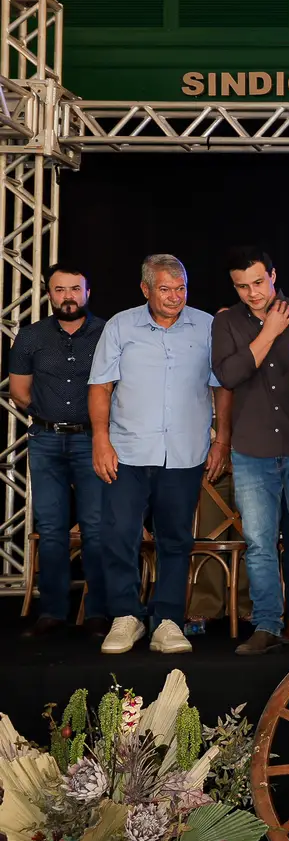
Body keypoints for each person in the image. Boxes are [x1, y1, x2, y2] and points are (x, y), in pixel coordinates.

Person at [89, 254, 230, 655]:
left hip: (184, 452)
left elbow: (222, 387)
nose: (174, 296)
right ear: (145, 289)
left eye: (180, 288)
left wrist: (222, 440)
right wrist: (100, 439)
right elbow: (100, 386)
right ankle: (125, 616)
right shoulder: (120, 326)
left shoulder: (207, 325)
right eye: (165, 289)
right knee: (119, 534)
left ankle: (168, 621)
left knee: (176, 538)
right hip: (127, 451)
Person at [212, 247, 289, 655]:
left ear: (273, 276)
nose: (252, 293)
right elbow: (229, 374)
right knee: (259, 543)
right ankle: (266, 625)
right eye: (242, 286)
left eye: (258, 282)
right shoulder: (226, 322)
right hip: (252, 449)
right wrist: (270, 332)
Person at [11, 266, 108, 637]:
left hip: (92, 440)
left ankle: (98, 612)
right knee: (51, 529)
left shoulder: (108, 333)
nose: (68, 296)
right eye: (60, 289)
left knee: (95, 528)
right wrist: (48, 413)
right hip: (46, 439)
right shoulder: (31, 336)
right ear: (49, 294)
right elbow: (19, 392)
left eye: (75, 289)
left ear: (87, 292)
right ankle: (52, 612)